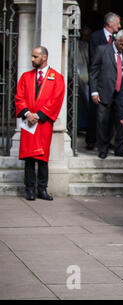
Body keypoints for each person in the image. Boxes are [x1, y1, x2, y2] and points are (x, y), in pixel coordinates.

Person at [15, 46, 65, 201]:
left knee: (43, 157)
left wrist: (39, 115)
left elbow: (56, 100)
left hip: (43, 123)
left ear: (44, 57)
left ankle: (42, 189)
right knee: (29, 157)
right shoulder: (25, 76)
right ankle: (29, 189)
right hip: (28, 122)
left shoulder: (56, 77)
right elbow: (19, 97)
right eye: (31, 56)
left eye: (35, 56)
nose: (32, 59)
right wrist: (27, 114)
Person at [89, 29, 123, 159]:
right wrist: (94, 91)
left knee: (122, 122)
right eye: (122, 44)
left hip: (122, 93)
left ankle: (120, 148)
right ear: (116, 41)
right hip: (104, 91)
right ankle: (103, 148)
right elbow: (94, 71)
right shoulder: (102, 50)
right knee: (103, 121)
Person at [86, 12, 121, 151]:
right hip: (100, 82)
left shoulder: (118, 39)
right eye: (117, 22)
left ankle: (107, 141)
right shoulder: (96, 37)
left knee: (110, 118)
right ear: (110, 23)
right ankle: (92, 140)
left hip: (114, 85)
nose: (119, 25)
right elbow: (94, 61)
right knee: (96, 115)